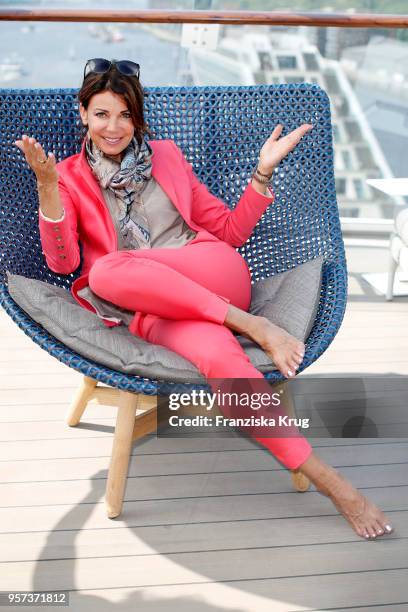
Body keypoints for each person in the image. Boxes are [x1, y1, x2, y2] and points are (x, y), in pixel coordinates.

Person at [15, 58, 393, 540]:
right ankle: (335, 484)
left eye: (126, 115)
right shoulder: (66, 176)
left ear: (138, 119)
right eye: (103, 114)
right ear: (83, 114)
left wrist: (261, 174)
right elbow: (65, 263)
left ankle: (249, 321)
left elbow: (230, 232)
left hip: (214, 271)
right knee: (215, 353)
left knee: (109, 270)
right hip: (148, 307)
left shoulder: (168, 157)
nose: (114, 127)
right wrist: (47, 186)